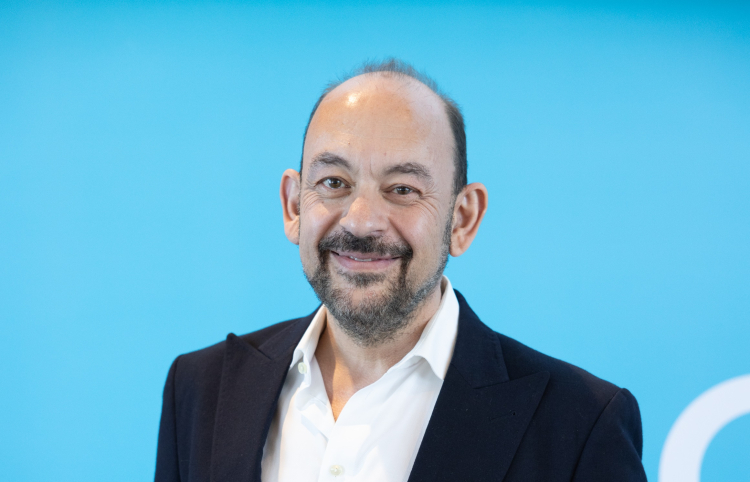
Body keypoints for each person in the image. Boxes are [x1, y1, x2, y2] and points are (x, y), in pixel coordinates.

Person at [155, 59, 647, 482]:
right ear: (293, 205)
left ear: (462, 219)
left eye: (403, 189)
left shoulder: (581, 424)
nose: (361, 220)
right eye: (334, 182)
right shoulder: (201, 390)